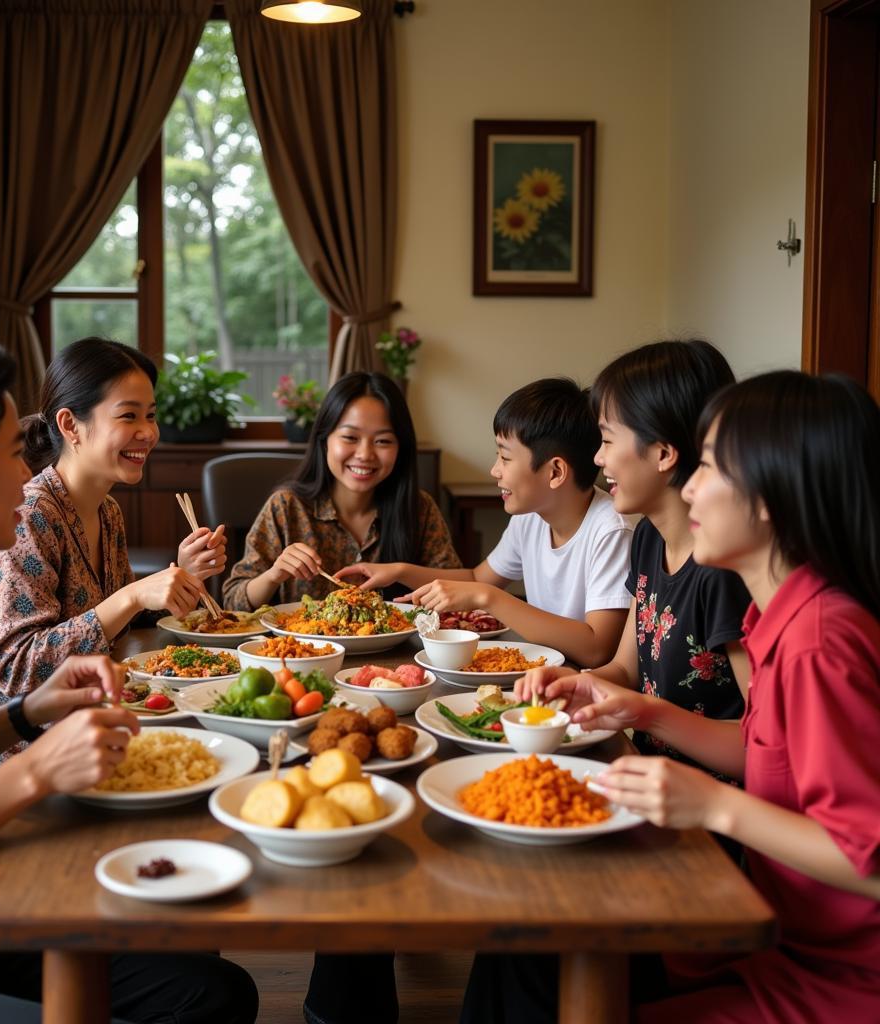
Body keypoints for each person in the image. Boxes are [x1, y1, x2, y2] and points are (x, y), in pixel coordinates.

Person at [0, 335, 258, 1023]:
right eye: (16, 450)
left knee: (211, 989)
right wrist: (36, 767)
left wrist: (27, 714)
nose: (29, 471)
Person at [462, 371, 880, 1023]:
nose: (690, 485)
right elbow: (770, 753)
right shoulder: (780, 618)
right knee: (522, 936)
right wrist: (642, 709)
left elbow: (868, 861)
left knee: (539, 944)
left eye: (709, 466)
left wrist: (712, 802)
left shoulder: (822, 642)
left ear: (770, 493)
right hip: (783, 941)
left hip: (833, 974)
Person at [0, 338, 224, 783]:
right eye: (128, 415)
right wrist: (134, 592)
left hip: (88, 742)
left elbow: (118, 622)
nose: (148, 432)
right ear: (70, 424)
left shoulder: (107, 511)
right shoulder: (26, 516)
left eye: (151, 415)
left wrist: (181, 575)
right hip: (14, 770)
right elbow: (18, 670)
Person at [517, 340, 751, 768]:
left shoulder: (724, 571)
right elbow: (626, 669)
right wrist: (577, 683)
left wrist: (647, 714)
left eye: (606, 439)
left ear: (663, 453)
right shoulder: (648, 538)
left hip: (706, 806)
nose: (597, 457)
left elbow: (766, 748)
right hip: (640, 771)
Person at [339, 378, 633, 667]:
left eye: (505, 457)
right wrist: (399, 571)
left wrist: (489, 598)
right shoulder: (530, 517)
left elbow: (597, 648)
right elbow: (479, 580)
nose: (495, 470)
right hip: (544, 672)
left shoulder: (611, 530)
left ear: (555, 472)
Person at [222, 371, 460, 610]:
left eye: (383, 441)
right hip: (302, 647)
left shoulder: (418, 508)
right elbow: (233, 602)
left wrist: (401, 572)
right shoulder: (286, 507)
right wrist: (274, 574)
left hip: (401, 648)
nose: (365, 454)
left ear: (401, 448)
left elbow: (458, 590)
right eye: (350, 437)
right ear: (324, 440)